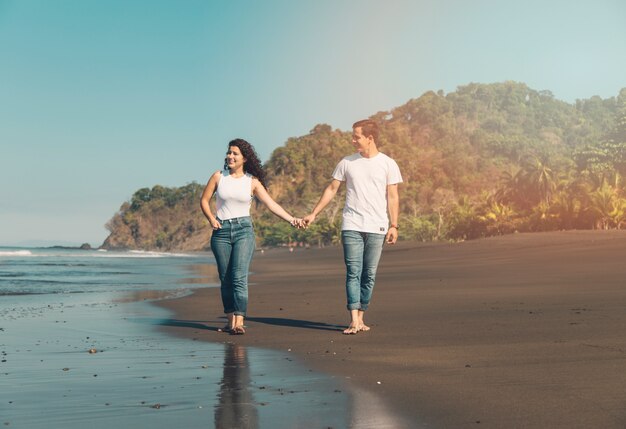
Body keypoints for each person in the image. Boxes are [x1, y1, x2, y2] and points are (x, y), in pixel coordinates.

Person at [302, 119, 402, 335]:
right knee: (353, 272)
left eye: (356, 136)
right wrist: (314, 213)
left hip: (377, 226)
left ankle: (361, 316)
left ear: (370, 138)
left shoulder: (388, 164)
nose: (352, 139)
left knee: (369, 274)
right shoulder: (347, 162)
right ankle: (353, 319)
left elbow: (392, 196)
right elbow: (331, 189)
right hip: (352, 225)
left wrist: (394, 225)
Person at [201, 138, 300, 335]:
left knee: (239, 277)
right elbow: (204, 200)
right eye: (229, 152)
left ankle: (239, 321)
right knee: (225, 278)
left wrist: (292, 219)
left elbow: (272, 205)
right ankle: (230, 321)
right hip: (220, 231)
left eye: (235, 153)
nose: (230, 156)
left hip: (243, 231)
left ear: (244, 158)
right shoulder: (218, 177)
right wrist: (211, 218)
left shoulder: (252, 182)